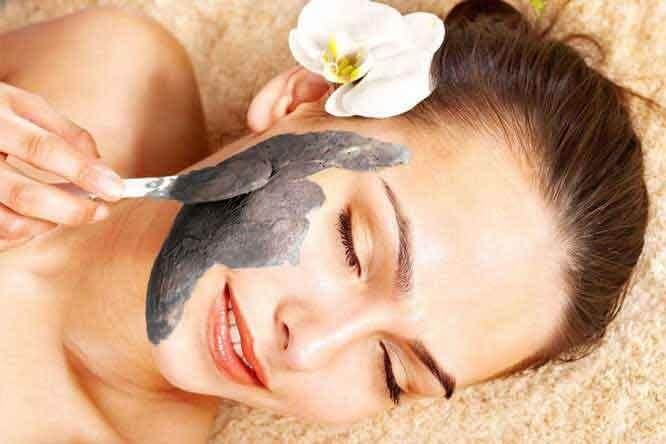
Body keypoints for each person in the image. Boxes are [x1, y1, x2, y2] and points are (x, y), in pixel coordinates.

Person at [0, 1, 650, 442]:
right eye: (351, 245)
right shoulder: (115, 70)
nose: (307, 349)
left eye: (392, 372)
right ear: (306, 98)